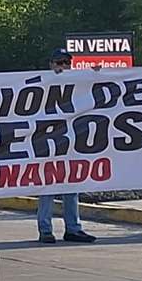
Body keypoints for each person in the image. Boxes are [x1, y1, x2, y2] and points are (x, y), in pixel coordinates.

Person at [34, 49, 97, 244]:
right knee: (48, 189)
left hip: (71, 144)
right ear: (51, 64)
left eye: (67, 63)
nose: (63, 67)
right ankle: (45, 230)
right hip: (48, 145)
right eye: (59, 63)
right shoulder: (40, 82)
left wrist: (99, 74)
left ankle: (73, 228)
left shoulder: (77, 82)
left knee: (72, 187)